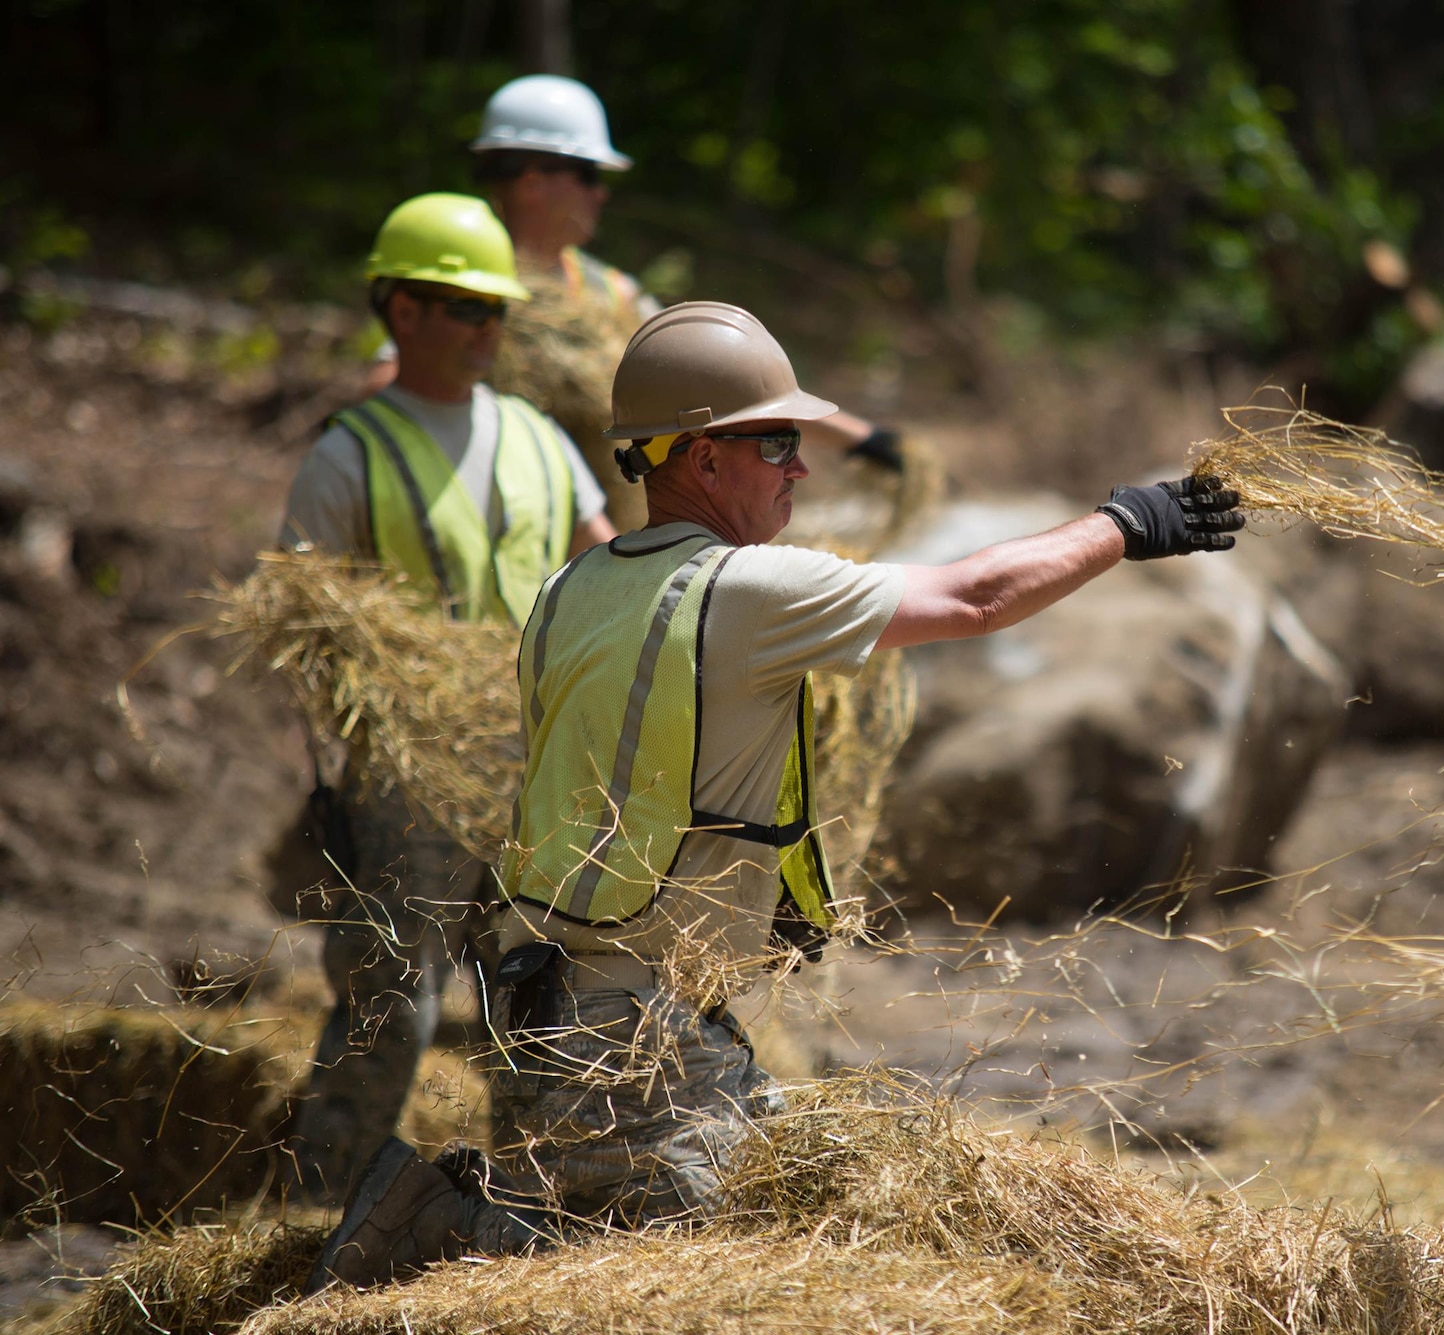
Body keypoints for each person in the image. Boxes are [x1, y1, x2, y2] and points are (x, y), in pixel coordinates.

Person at [307, 301, 1242, 1289]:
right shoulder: (743, 591)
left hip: (554, 1006)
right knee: (674, 1275)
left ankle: (459, 1226)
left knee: (700, 1230)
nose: (801, 467)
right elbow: (977, 598)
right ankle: (426, 1233)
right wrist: (1127, 523)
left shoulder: (568, 589)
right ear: (704, 459)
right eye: (778, 443)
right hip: (626, 1037)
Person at [280, 192, 619, 1204]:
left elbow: (603, 568)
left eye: (495, 310)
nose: (485, 328)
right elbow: (309, 633)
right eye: (462, 307)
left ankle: (530, 1213)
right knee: (394, 1008)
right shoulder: (349, 455)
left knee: (536, 1003)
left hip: (536, 769)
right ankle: (322, 1218)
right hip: (408, 784)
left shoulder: (537, 439)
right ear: (401, 308)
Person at [370, 74, 899, 532]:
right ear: (532, 180)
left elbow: (732, 383)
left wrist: (865, 439)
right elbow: (393, 384)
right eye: (588, 176)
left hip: (596, 534)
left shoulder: (608, 293)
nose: (600, 194)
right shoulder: (461, 284)